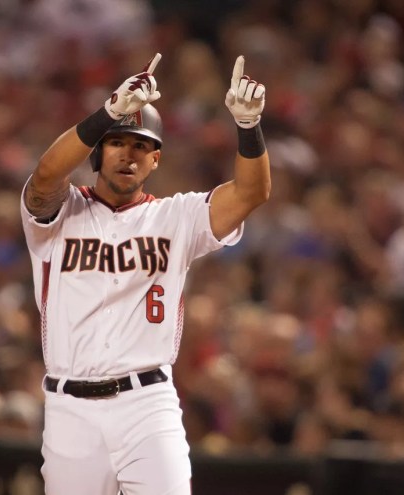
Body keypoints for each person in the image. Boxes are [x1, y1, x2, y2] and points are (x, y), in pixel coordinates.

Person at [20, 52, 270, 494]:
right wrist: (107, 113)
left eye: (141, 145)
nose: (128, 154)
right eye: (116, 142)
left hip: (147, 404)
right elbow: (44, 175)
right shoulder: (60, 211)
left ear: (156, 160)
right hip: (69, 409)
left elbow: (251, 192)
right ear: (97, 153)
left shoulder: (177, 217)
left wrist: (248, 127)